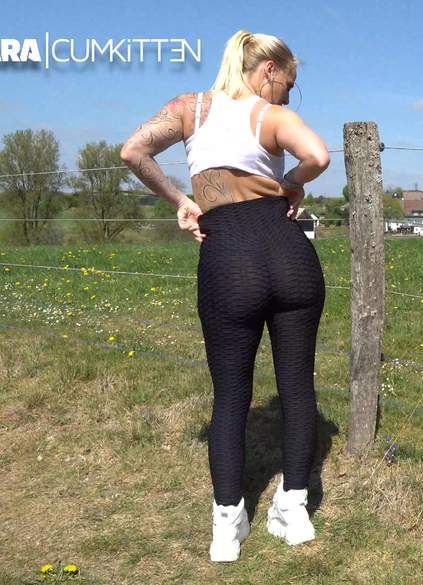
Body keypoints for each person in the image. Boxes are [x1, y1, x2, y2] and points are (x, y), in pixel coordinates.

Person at [120, 29, 330, 562]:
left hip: (229, 258)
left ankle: (227, 526)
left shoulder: (188, 109)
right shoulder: (271, 116)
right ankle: (294, 509)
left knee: (231, 395)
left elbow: (133, 151)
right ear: (267, 70)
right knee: (298, 389)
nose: (288, 95)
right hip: (291, 256)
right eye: (288, 83)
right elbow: (318, 155)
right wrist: (291, 184)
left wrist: (181, 200)